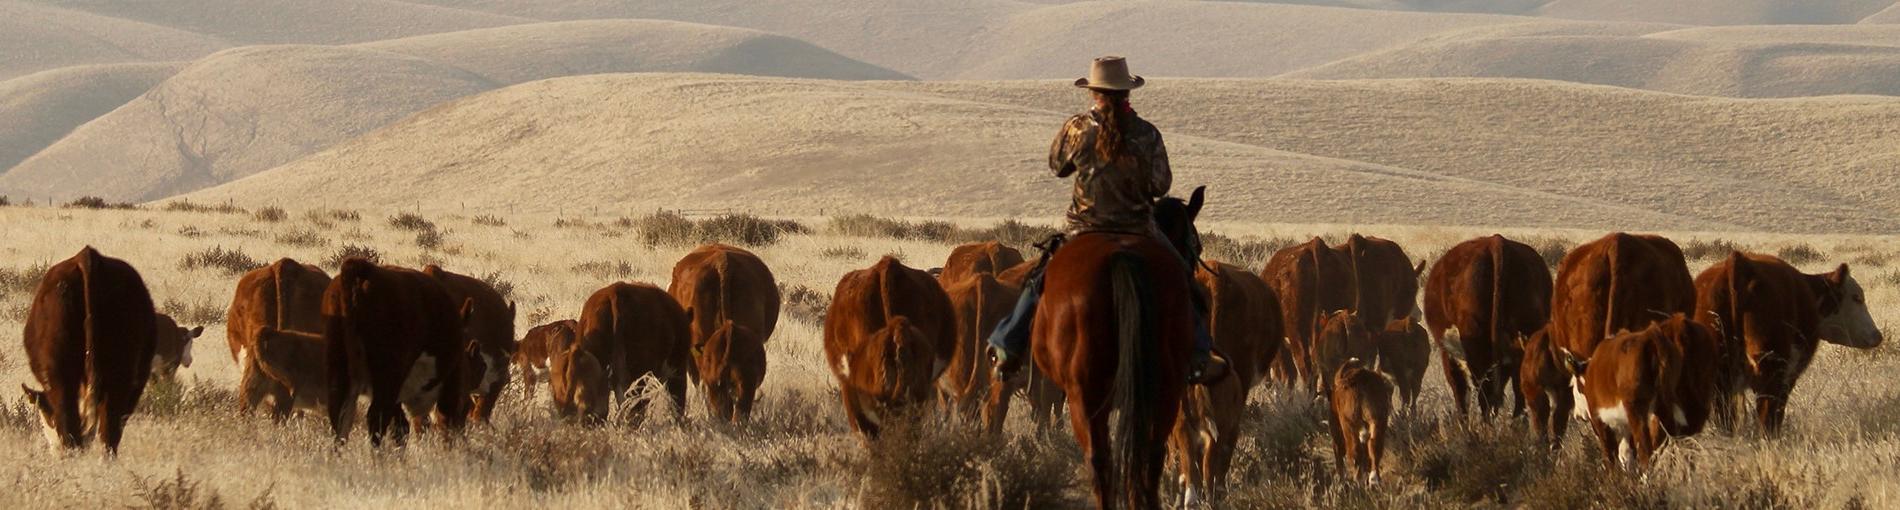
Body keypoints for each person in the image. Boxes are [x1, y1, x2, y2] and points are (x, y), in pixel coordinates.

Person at [986, 56, 1227, 385]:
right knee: (1183, 281)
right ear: (1128, 92)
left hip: (1084, 228)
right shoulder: (1147, 133)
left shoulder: (1077, 128)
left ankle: (1008, 345)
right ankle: (1199, 354)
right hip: (1140, 229)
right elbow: (1162, 185)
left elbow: (1058, 166)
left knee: (1040, 280)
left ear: (1093, 92)